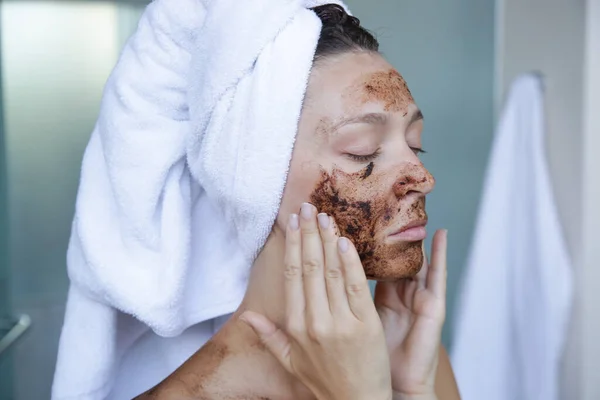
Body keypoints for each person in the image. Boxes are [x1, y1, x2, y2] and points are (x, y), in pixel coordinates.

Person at [135, 5, 460, 400]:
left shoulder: (412, 360)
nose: (424, 179)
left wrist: (409, 392)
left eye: (415, 144)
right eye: (364, 150)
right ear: (255, 181)